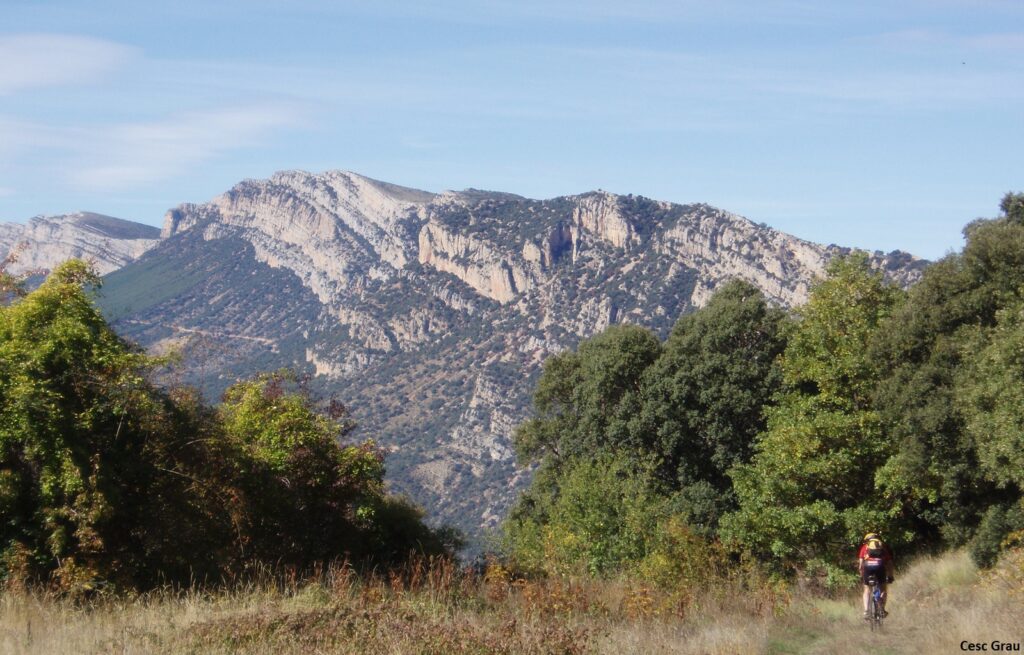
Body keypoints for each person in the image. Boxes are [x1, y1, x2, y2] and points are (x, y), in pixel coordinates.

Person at [858, 532, 895, 619]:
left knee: (867, 589)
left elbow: (860, 565)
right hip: (880, 566)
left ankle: (866, 611)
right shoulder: (882, 547)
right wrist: (890, 576)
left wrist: (862, 575)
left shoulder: (864, 547)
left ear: (867, 540)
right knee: (883, 588)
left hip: (867, 567)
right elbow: (890, 563)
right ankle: (882, 609)